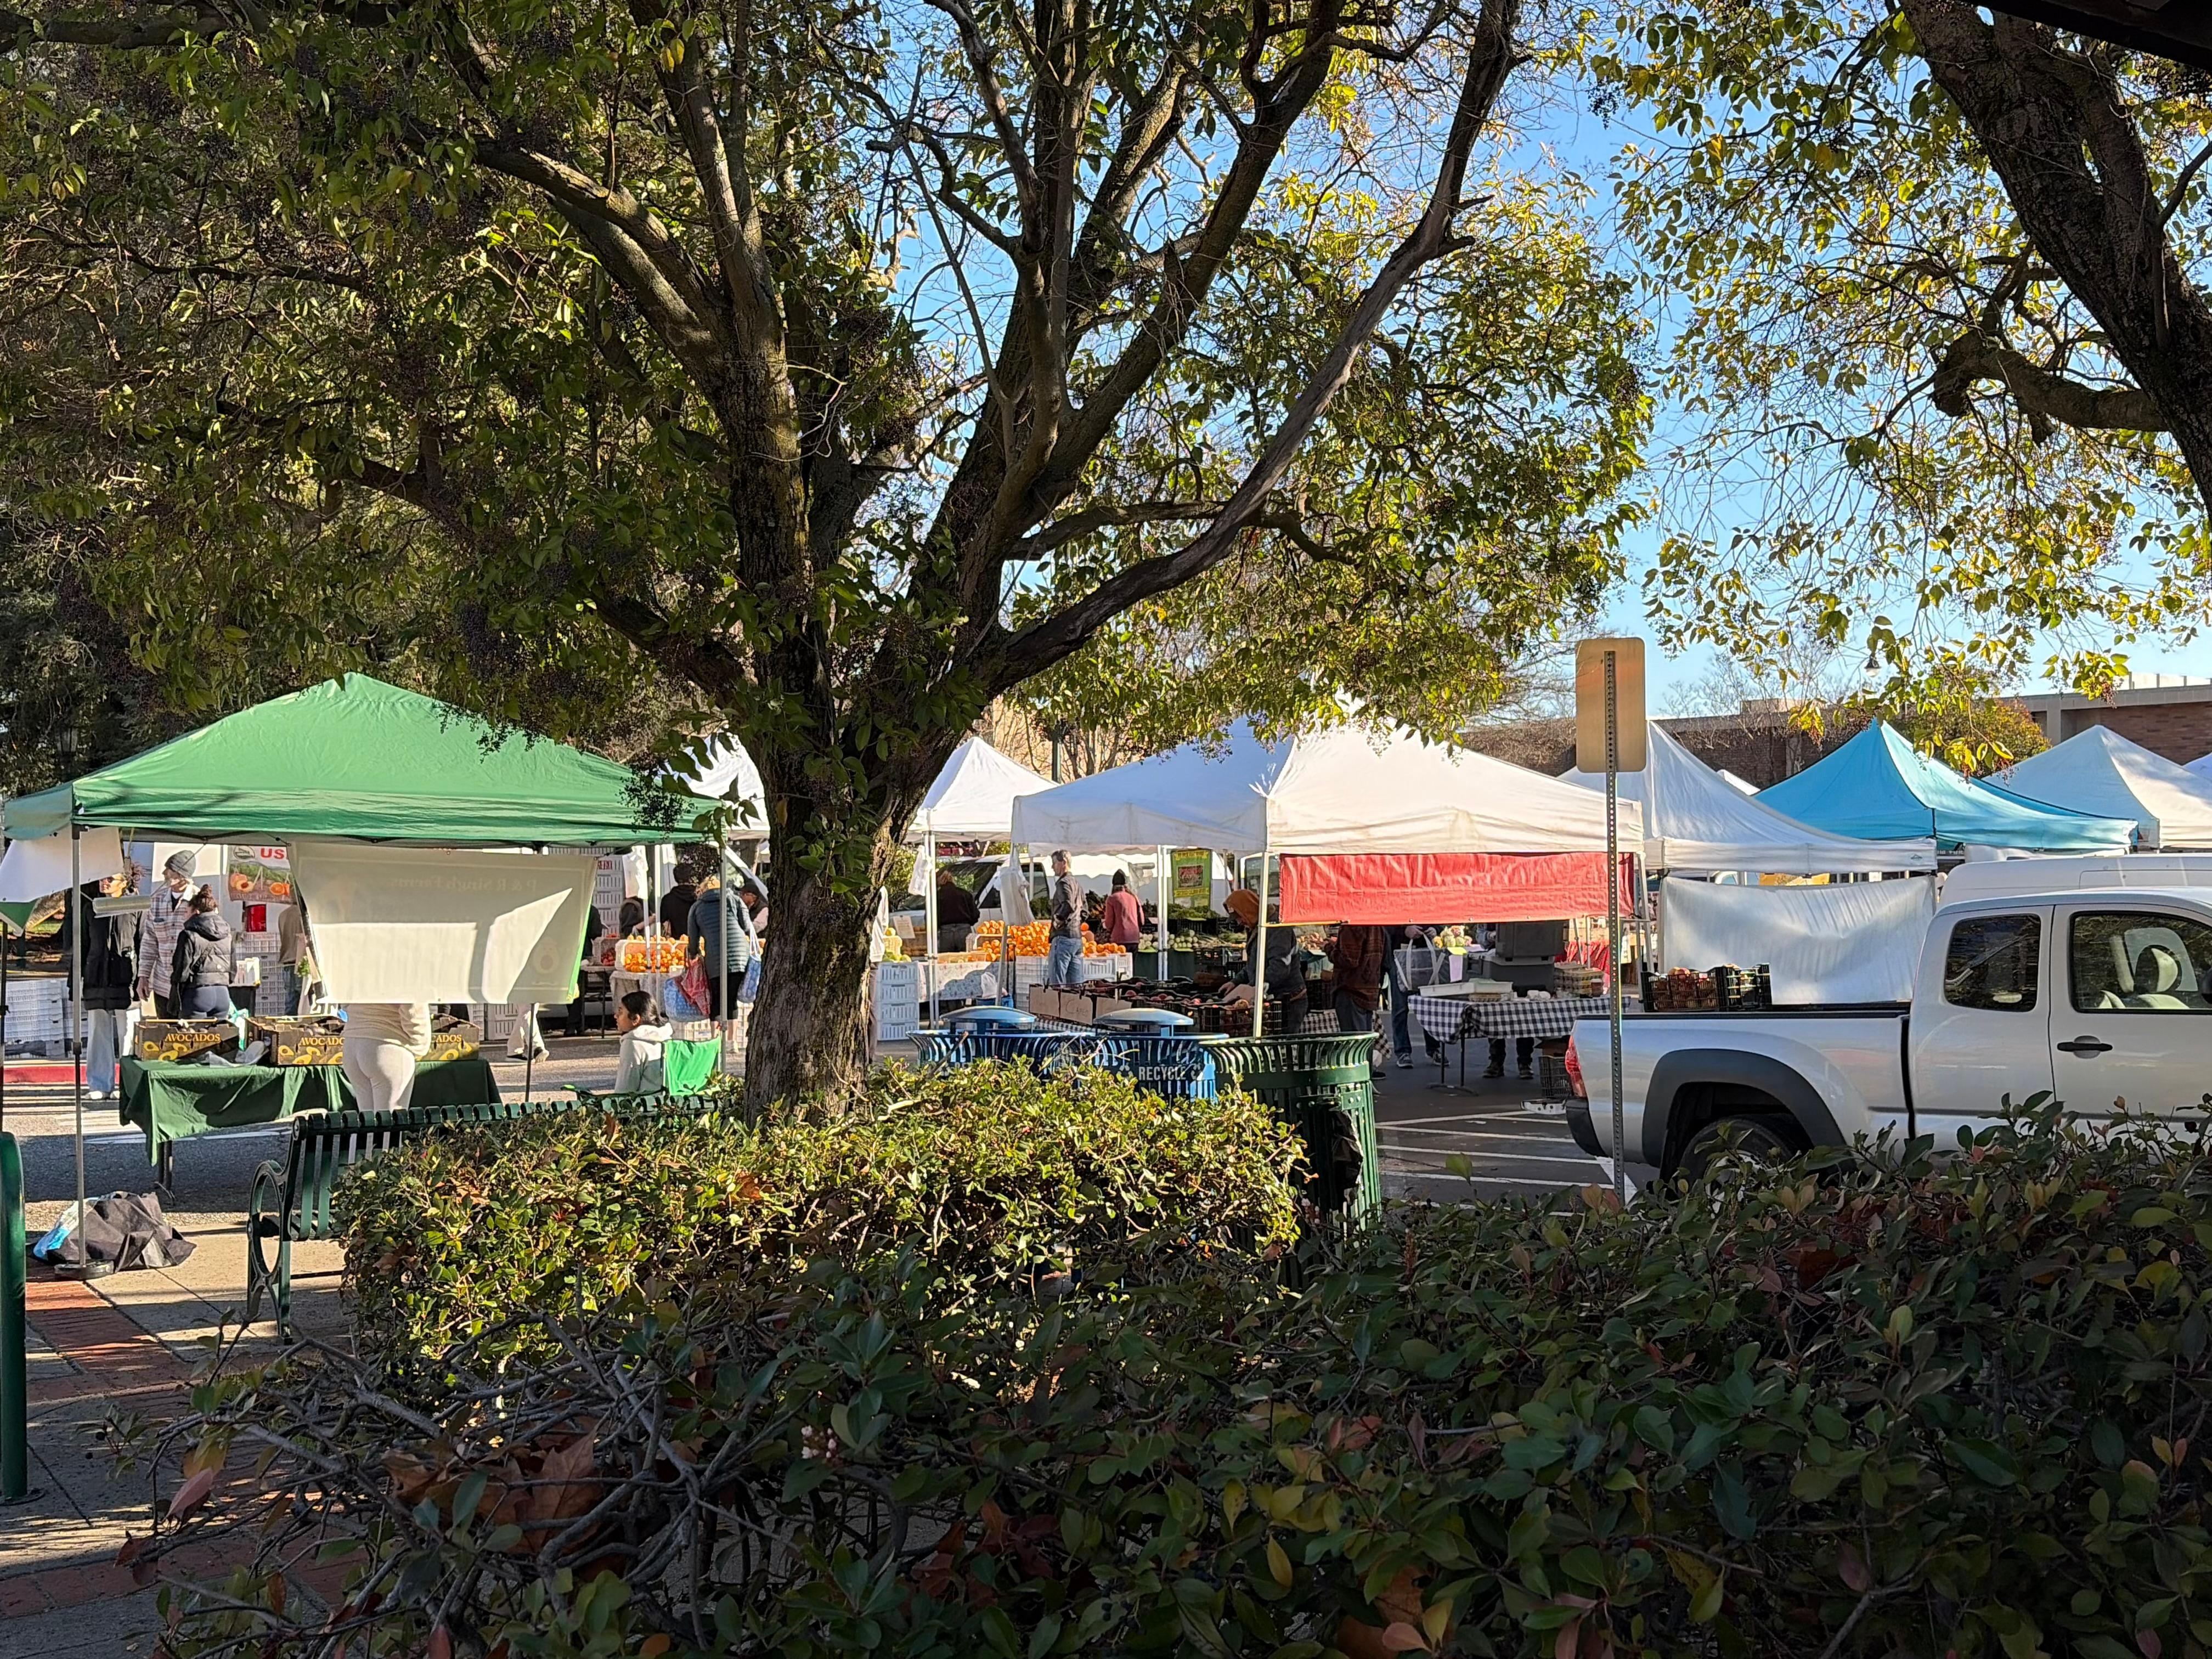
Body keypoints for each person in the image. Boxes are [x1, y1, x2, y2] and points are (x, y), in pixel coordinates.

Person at [64, 872, 141, 1101]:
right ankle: (99, 1083)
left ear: (124, 883)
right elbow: (83, 947)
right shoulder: (92, 908)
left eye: (110, 878)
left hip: (126, 979)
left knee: (128, 1033)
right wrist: (74, 983)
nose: (104, 882)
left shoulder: (135, 908)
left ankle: (128, 1085)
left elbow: (143, 942)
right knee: (98, 1031)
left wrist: (143, 978)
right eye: (101, 878)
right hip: (96, 978)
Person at [1224, 888, 1306, 1033]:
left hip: (1287, 1002)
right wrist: (1235, 982)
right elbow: (1255, 965)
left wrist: (1249, 989)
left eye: (1239, 917)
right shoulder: (1256, 928)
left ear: (1249, 910)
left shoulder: (1276, 928)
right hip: (1271, 1000)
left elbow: (1280, 967)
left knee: (1283, 1047)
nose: (1240, 922)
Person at [136, 851, 202, 1018]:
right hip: (162, 984)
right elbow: (149, 942)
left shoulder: (199, 900)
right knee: (165, 1035)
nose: (164, 873)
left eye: (169, 869)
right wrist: (143, 976)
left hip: (190, 985)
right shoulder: (157, 901)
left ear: (182, 874)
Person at [686, 871, 755, 1021]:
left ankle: (715, 1037)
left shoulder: (697, 908)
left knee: (717, 1000)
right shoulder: (736, 900)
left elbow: (693, 941)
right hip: (740, 958)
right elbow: (747, 927)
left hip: (715, 961)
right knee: (731, 1000)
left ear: (702, 890)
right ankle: (731, 1041)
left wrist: (693, 955)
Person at [342, 1001, 432, 1112]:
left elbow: (344, 1001)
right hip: (389, 1042)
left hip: (352, 1041)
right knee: (391, 1124)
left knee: (368, 1123)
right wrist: (420, 1042)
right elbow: (413, 1004)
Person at [168, 888, 236, 1018]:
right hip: (223, 994)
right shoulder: (227, 934)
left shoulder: (188, 935)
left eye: (187, 912)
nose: (184, 916)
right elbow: (233, 970)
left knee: (194, 1036)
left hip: (197, 994)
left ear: (197, 912)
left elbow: (182, 972)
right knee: (219, 1037)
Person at [1328, 923, 1389, 1066]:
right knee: (1363, 1044)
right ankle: (1365, 1079)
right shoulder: (1376, 925)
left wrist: (1329, 948)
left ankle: (1358, 1082)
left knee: (1354, 1046)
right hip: (1369, 989)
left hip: (1352, 990)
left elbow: (1349, 960)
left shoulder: (1351, 926)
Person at [612, 990, 673, 1093]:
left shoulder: (633, 1044)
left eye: (621, 1012)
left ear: (636, 1019)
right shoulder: (666, 1038)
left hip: (645, 1105)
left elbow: (624, 1090)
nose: (616, 1016)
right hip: (669, 1103)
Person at [566, 903, 605, 1036]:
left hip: (564, 952)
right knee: (580, 990)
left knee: (570, 989)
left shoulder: (566, 907)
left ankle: (578, 1025)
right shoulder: (590, 909)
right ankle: (572, 1025)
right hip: (583, 954)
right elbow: (596, 933)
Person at [1046, 851, 1084, 985]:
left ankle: (1059, 1006)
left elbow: (1068, 904)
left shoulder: (1063, 883)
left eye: (1055, 863)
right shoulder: (1076, 884)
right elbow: (1085, 911)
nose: (1052, 867)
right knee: (1076, 986)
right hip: (1077, 939)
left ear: (1064, 863)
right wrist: (1076, 922)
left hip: (1063, 938)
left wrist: (1059, 920)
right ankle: (1076, 1007)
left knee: (1058, 984)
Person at [276, 895, 318, 1016]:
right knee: (304, 1002)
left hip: (287, 961)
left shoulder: (282, 915)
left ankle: (288, 1028)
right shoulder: (305, 915)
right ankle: (302, 1030)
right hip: (302, 962)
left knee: (291, 1001)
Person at [934, 867, 979, 952]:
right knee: (965, 959)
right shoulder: (965, 894)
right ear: (952, 879)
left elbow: (933, 917)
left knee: (946, 960)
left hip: (946, 931)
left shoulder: (937, 896)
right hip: (964, 930)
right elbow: (975, 915)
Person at [1099, 870, 1144, 950]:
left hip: (1119, 939)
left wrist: (1107, 927)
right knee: (1132, 962)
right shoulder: (1134, 897)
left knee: (1120, 962)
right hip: (1134, 938)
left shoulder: (1112, 899)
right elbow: (1142, 920)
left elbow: (1109, 923)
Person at [659, 862, 698, 939]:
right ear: (691, 878)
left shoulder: (667, 899)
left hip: (676, 944)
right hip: (698, 942)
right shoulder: (699, 898)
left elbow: (664, 922)